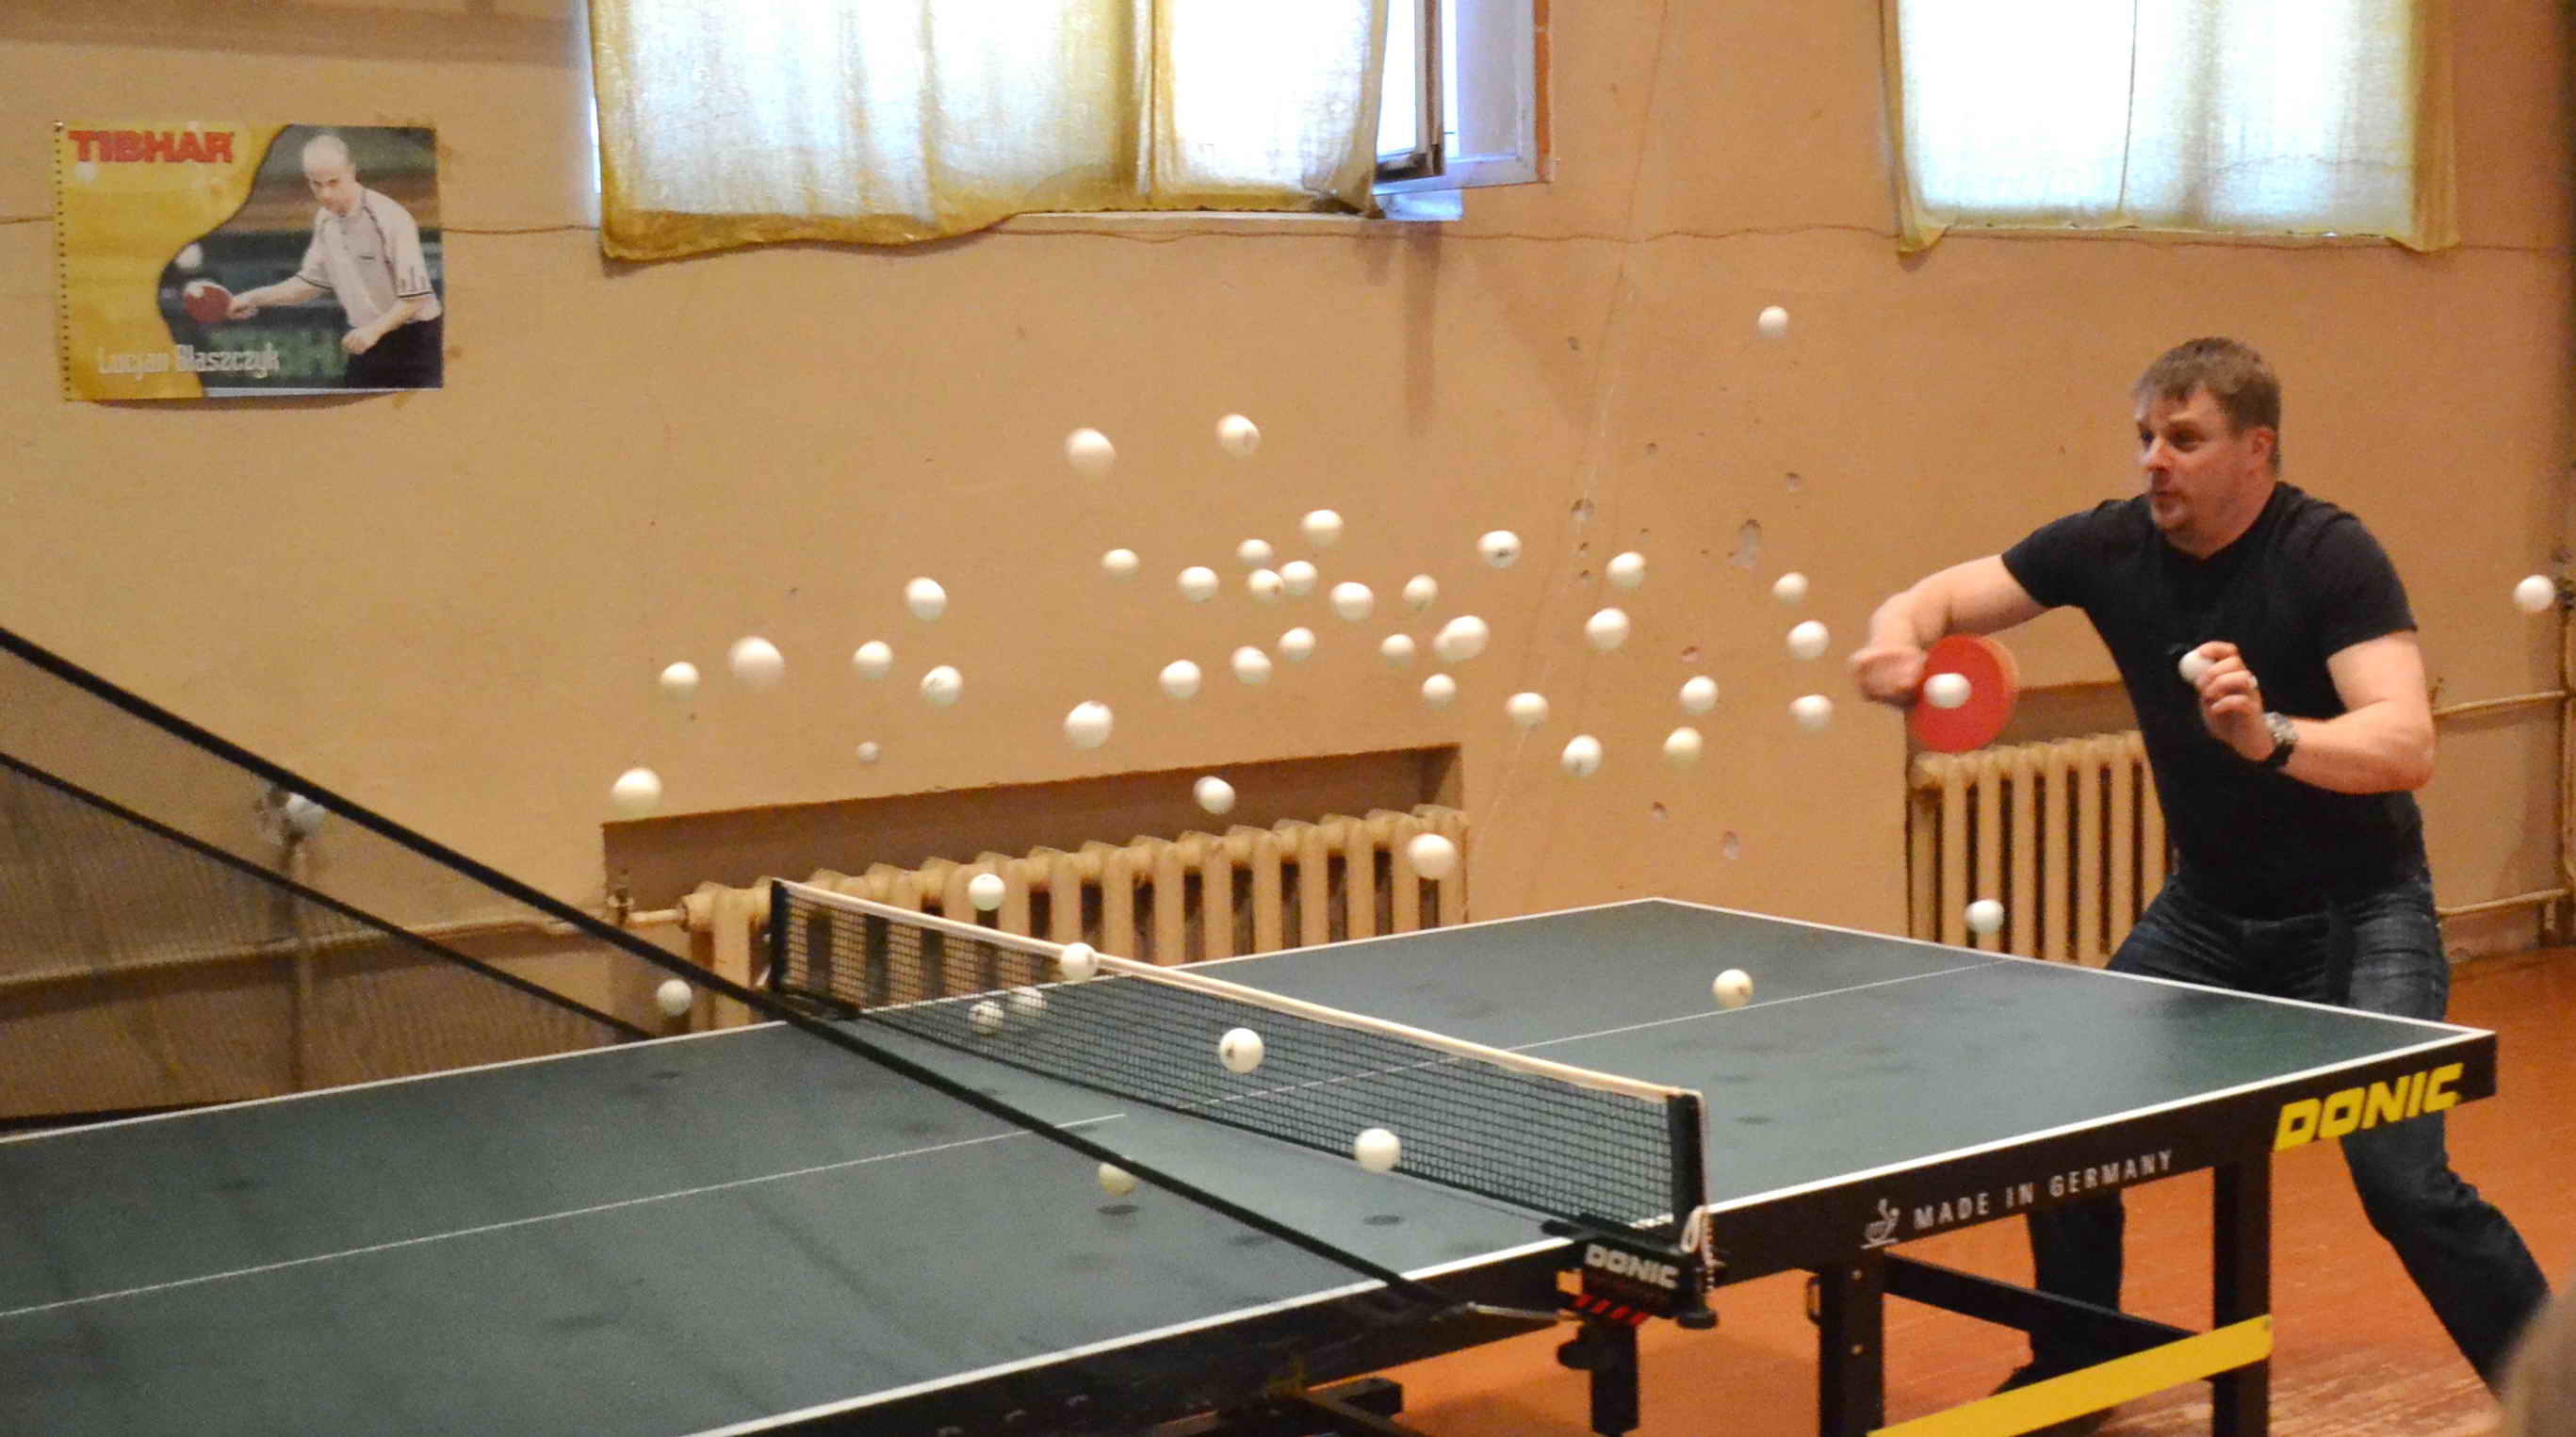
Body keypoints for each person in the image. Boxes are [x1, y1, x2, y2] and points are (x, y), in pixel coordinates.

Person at [1849, 337, 2550, 1421]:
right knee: (2065, 1129)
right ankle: (2079, 1365)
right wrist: (1897, 643)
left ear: (2255, 448)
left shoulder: (2328, 556)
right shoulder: (2106, 545)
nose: (2153, 461)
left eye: (2183, 439)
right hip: (2209, 912)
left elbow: (2405, 742)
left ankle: (2555, 1396)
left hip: (2359, 913)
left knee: (2400, 1180)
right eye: (2144, 437)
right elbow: (1937, 596)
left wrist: (2269, 736)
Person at [227, 132, 443, 388]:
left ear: (351, 171)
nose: (326, 194)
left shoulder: (390, 217)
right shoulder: (325, 220)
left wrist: (374, 330)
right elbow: (309, 284)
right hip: (366, 340)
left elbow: (416, 298)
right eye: (316, 184)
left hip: (416, 342)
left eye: (333, 182)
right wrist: (252, 297)